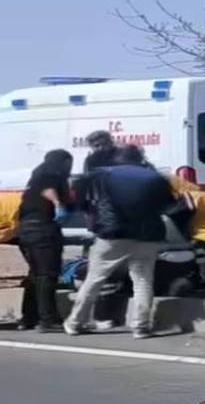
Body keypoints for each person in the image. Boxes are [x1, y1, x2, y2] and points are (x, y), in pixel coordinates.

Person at [64, 145, 175, 338]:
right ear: (140, 158)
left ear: (117, 159)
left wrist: (87, 210)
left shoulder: (103, 174)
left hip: (113, 235)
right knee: (143, 280)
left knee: (95, 279)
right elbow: (169, 204)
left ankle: (75, 323)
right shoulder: (156, 178)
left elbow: (78, 188)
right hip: (148, 235)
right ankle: (140, 326)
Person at [17, 150, 73, 332]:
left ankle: (28, 318)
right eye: (68, 164)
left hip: (26, 230)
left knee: (36, 275)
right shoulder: (51, 173)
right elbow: (48, 189)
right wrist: (58, 204)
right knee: (47, 275)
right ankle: (47, 320)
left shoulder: (35, 176)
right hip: (43, 229)